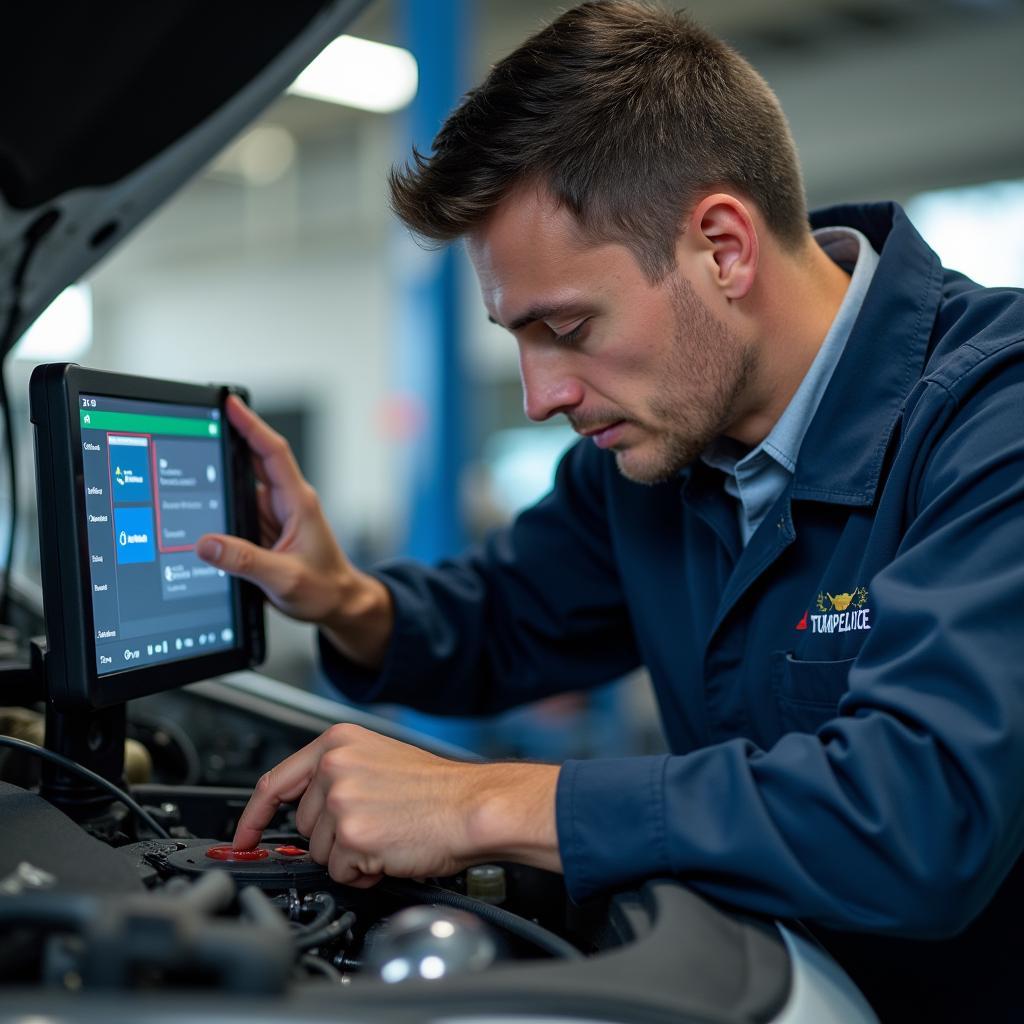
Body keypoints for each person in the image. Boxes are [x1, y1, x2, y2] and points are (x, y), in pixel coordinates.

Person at [197, 1, 1024, 1017]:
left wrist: (486, 799)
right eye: (518, 337)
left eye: (568, 326)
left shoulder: (993, 420)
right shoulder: (662, 447)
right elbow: (506, 614)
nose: (542, 394)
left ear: (722, 248)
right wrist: (344, 598)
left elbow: (917, 815)